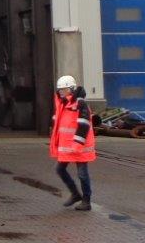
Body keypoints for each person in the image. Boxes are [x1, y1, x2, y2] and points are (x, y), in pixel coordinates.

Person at [49, 74, 95, 211]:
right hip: (68, 146)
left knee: (82, 174)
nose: (61, 92)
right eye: (60, 90)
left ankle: (86, 201)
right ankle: (75, 194)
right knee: (59, 169)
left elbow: (84, 124)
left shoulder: (80, 104)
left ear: (71, 89)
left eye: (64, 89)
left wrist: (77, 144)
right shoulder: (63, 104)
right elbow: (58, 123)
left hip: (79, 147)